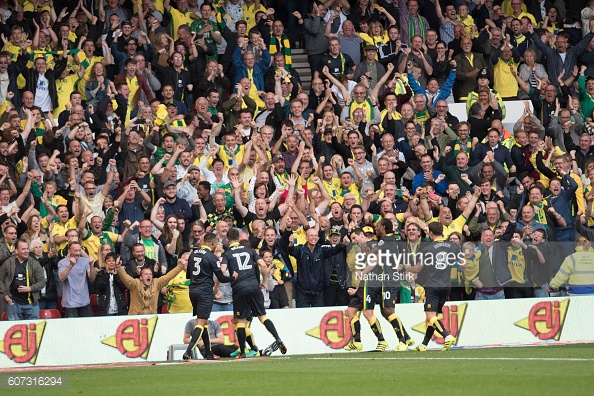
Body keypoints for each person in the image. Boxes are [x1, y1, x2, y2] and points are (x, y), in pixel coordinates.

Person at [221, 229, 287, 358]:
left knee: (240, 321)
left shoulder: (227, 253)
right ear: (239, 239)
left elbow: (222, 270)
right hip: (254, 287)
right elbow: (262, 264)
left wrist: (220, 283)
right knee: (262, 316)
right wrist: (264, 280)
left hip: (240, 288)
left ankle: (242, 351)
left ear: (228, 240)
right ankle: (277, 338)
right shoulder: (249, 250)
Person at [405, 222, 461, 351]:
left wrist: (406, 267)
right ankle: (423, 344)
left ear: (430, 233)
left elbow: (418, 269)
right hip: (447, 286)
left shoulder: (427, 249)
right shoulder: (453, 247)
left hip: (432, 286)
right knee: (432, 316)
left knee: (431, 316)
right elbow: (463, 265)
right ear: (442, 231)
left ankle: (447, 336)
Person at [182, 232, 237, 361]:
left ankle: (209, 353)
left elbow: (188, 275)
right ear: (212, 243)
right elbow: (222, 278)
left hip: (193, 290)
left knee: (204, 322)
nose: (217, 245)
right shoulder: (211, 257)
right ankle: (188, 351)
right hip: (204, 292)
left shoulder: (192, 255)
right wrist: (233, 277)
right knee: (200, 323)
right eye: (216, 243)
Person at [0, 238, 45, 320]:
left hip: (31, 304)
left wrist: (30, 288)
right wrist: (6, 296)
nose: (26, 251)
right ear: (16, 251)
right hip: (13, 304)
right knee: (14, 332)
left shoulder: (34, 263)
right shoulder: (8, 263)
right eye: (23, 249)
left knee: (33, 331)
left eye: (27, 248)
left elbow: (42, 282)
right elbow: (0, 279)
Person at [58, 242, 95, 318]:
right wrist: (71, 265)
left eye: (79, 250)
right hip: (70, 303)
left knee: (86, 327)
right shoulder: (62, 263)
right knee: (72, 329)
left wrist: (91, 265)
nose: (78, 253)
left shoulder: (84, 261)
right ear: (69, 251)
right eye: (75, 251)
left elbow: (92, 277)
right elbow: (61, 278)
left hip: (84, 301)